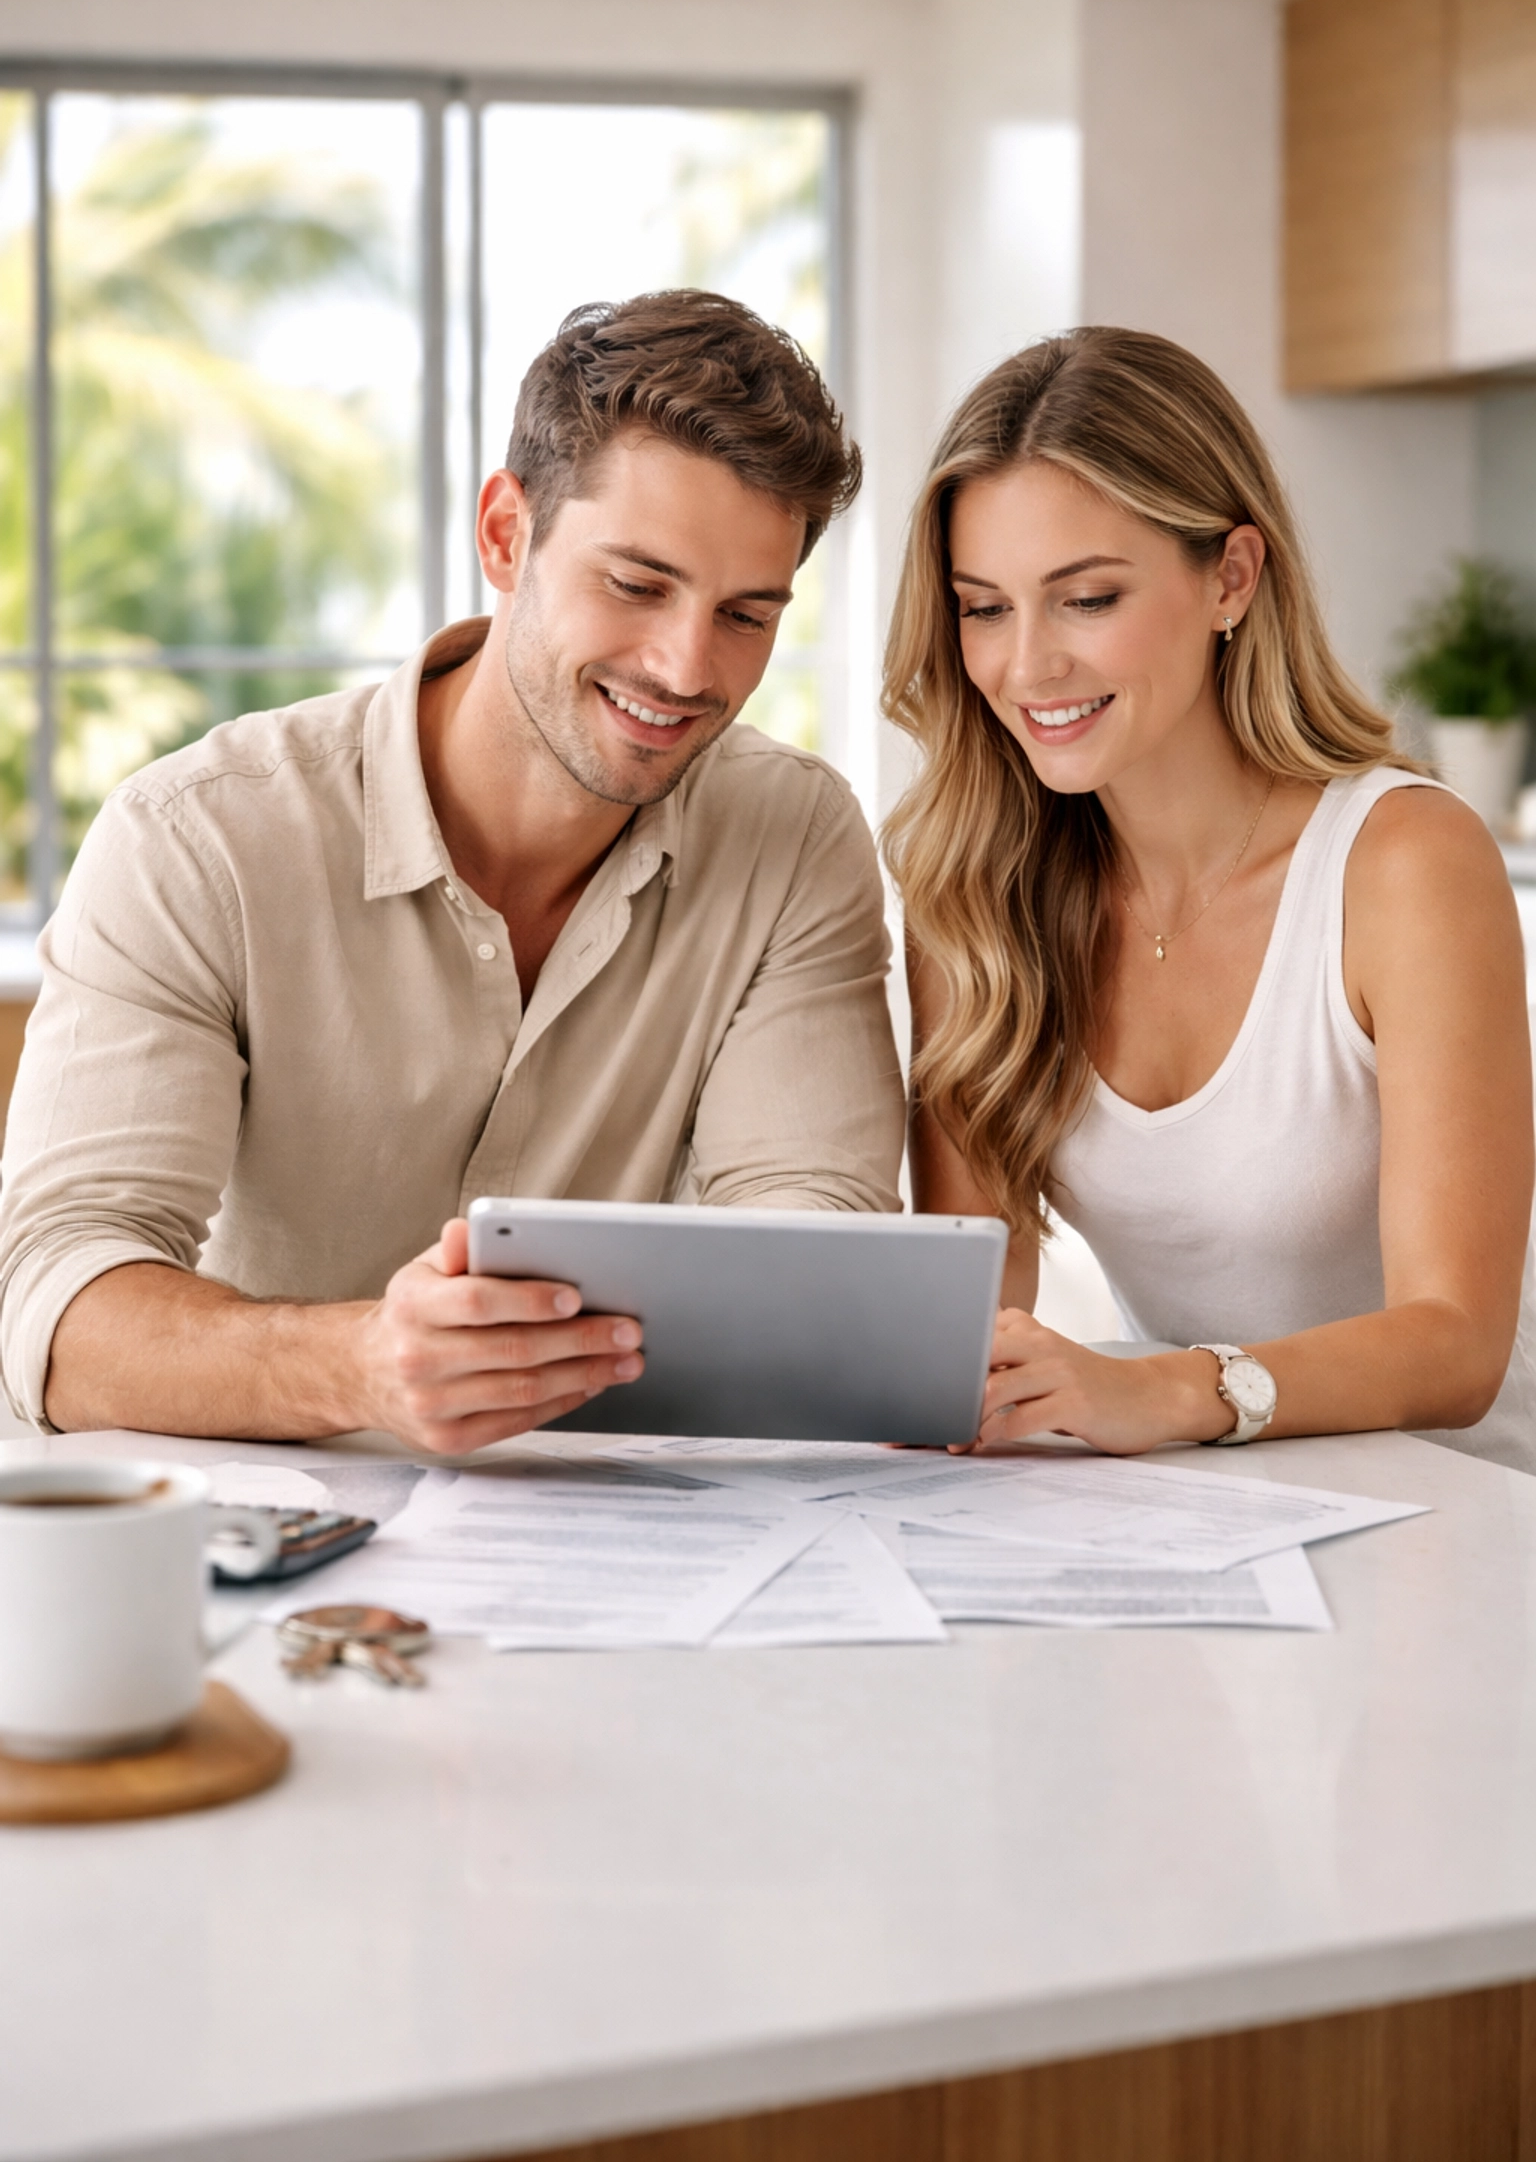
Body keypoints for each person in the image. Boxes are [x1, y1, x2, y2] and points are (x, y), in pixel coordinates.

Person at [0, 291, 904, 1449]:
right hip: (263, 1548)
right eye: (636, 585)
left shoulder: (794, 836)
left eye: (746, 613)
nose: (687, 667)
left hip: (624, 1536)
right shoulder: (197, 839)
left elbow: (813, 1246)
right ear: (503, 536)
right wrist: (361, 1369)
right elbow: (58, 1301)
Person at [883, 325, 1536, 1472]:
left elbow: (1457, 1348)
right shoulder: (974, 889)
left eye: (1085, 599)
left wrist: (1162, 1385)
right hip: (1225, 1509)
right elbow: (968, 1312)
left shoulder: (1405, 864)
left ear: (1230, 576)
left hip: (1482, 1508)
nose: (1026, 667)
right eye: (983, 608)